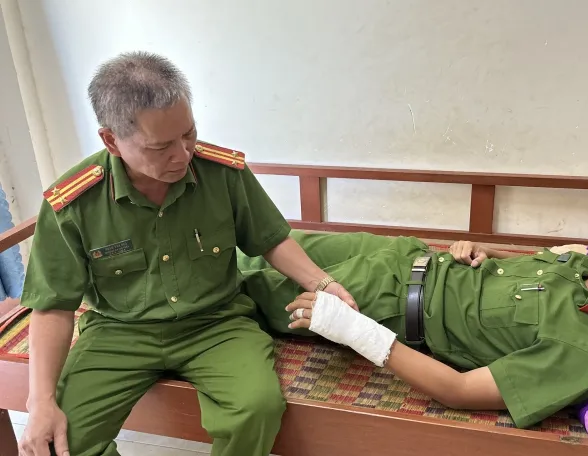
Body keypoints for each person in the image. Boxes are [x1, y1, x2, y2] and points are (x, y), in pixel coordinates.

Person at [17, 51, 357, 456]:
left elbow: (270, 239)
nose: (183, 154)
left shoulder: (222, 173)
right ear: (111, 141)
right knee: (60, 440)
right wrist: (40, 402)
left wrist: (323, 283)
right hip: (120, 331)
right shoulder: (74, 203)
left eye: (189, 134)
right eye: (160, 147)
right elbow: (53, 306)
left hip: (216, 323)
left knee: (257, 408)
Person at [237, 210, 588, 429]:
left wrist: (355, 330)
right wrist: (483, 252)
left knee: (229, 285)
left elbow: (459, 390)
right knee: (262, 239)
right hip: (398, 253)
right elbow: (533, 275)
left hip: (377, 300)